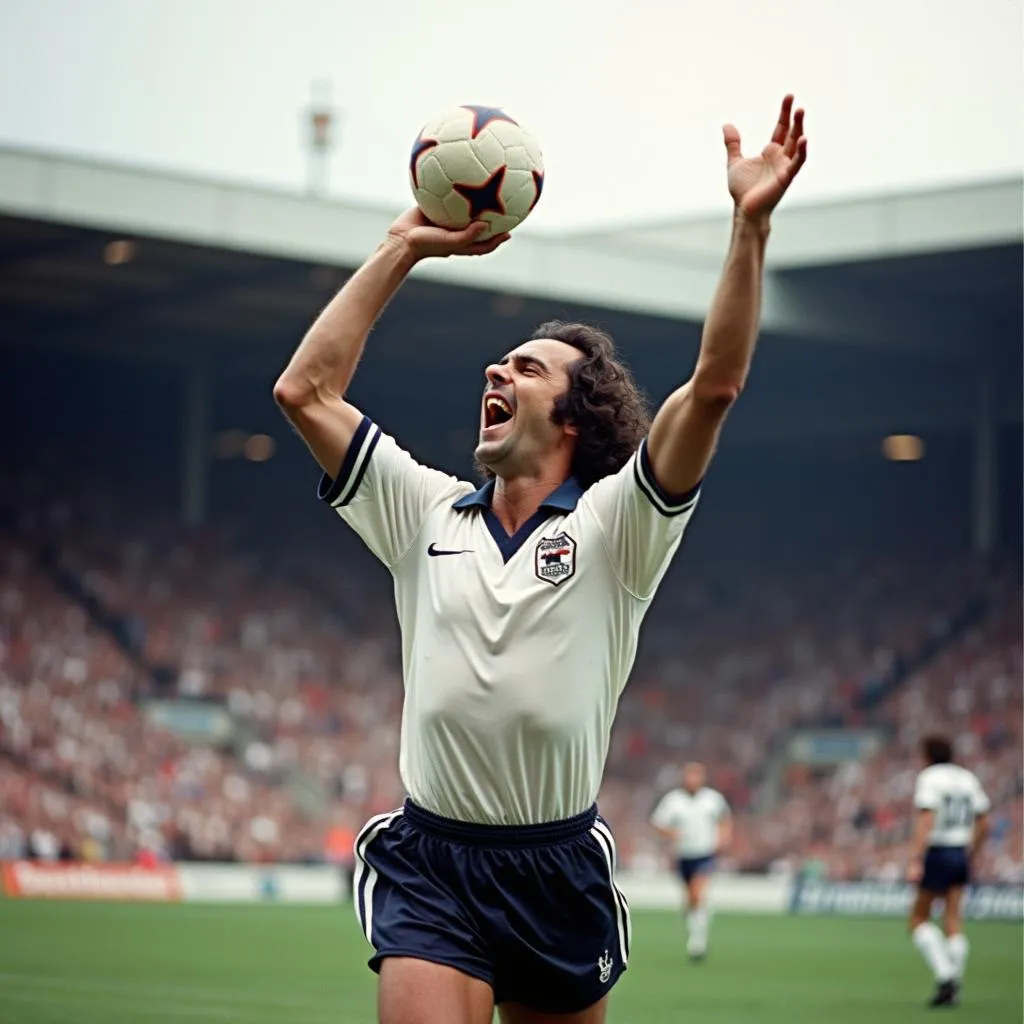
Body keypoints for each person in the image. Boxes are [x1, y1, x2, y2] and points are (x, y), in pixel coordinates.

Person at [274, 95, 807, 1024]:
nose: (497, 373)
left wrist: (748, 228)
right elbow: (304, 390)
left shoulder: (616, 529)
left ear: (574, 416)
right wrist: (403, 246)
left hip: (554, 867)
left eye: (526, 369)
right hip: (431, 863)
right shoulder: (424, 510)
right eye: (497, 364)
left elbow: (714, 387)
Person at [907, 734, 990, 1008]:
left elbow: (926, 818)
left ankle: (946, 976)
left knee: (919, 917)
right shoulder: (967, 778)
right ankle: (955, 983)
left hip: (939, 850)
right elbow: (984, 823)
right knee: (953, 919)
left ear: (927, 755)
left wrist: (916, 858)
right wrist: (972, 852)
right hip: (959, 851)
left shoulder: (930, 778)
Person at [650, 761, 731, 961]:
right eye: (689, 775)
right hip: (683, 855)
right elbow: (658, 824)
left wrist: (723, 837)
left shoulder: (712, 799)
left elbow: (725, 819)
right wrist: (672, 833)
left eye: (696, 776)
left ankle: (697, 943)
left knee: (696, 894)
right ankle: (698, 919)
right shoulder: (673, 800)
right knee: (690, 901)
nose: (692, 780)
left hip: (705, 853)